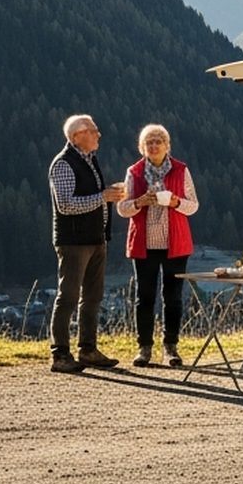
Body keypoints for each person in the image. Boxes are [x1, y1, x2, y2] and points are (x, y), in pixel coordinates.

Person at [48, 114, 127, 373]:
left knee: (92, 297)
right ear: (76, 136)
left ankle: (88, 350)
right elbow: (66, 205)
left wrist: (106, 199)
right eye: (93, 130)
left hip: (95, 239)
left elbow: (91, 199)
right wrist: (103, 196)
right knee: (69, 297)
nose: (98, 134)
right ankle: (60, 355)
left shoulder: (89, 160)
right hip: (74, 241)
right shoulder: (63, 164)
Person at [117, 123, 199, 367]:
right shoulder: (134, 172)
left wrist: (174, 202)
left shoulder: (181, 170)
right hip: (144, 244)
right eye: (149, 142)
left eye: (158, 141)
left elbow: (193, 205)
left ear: (167, 145)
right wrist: (140, 201)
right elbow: (122, 209)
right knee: (145, 296)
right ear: (142, 147)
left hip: (175, 243)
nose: (153, 146)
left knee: (172, 296)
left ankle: (170, 347)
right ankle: (144, 348)